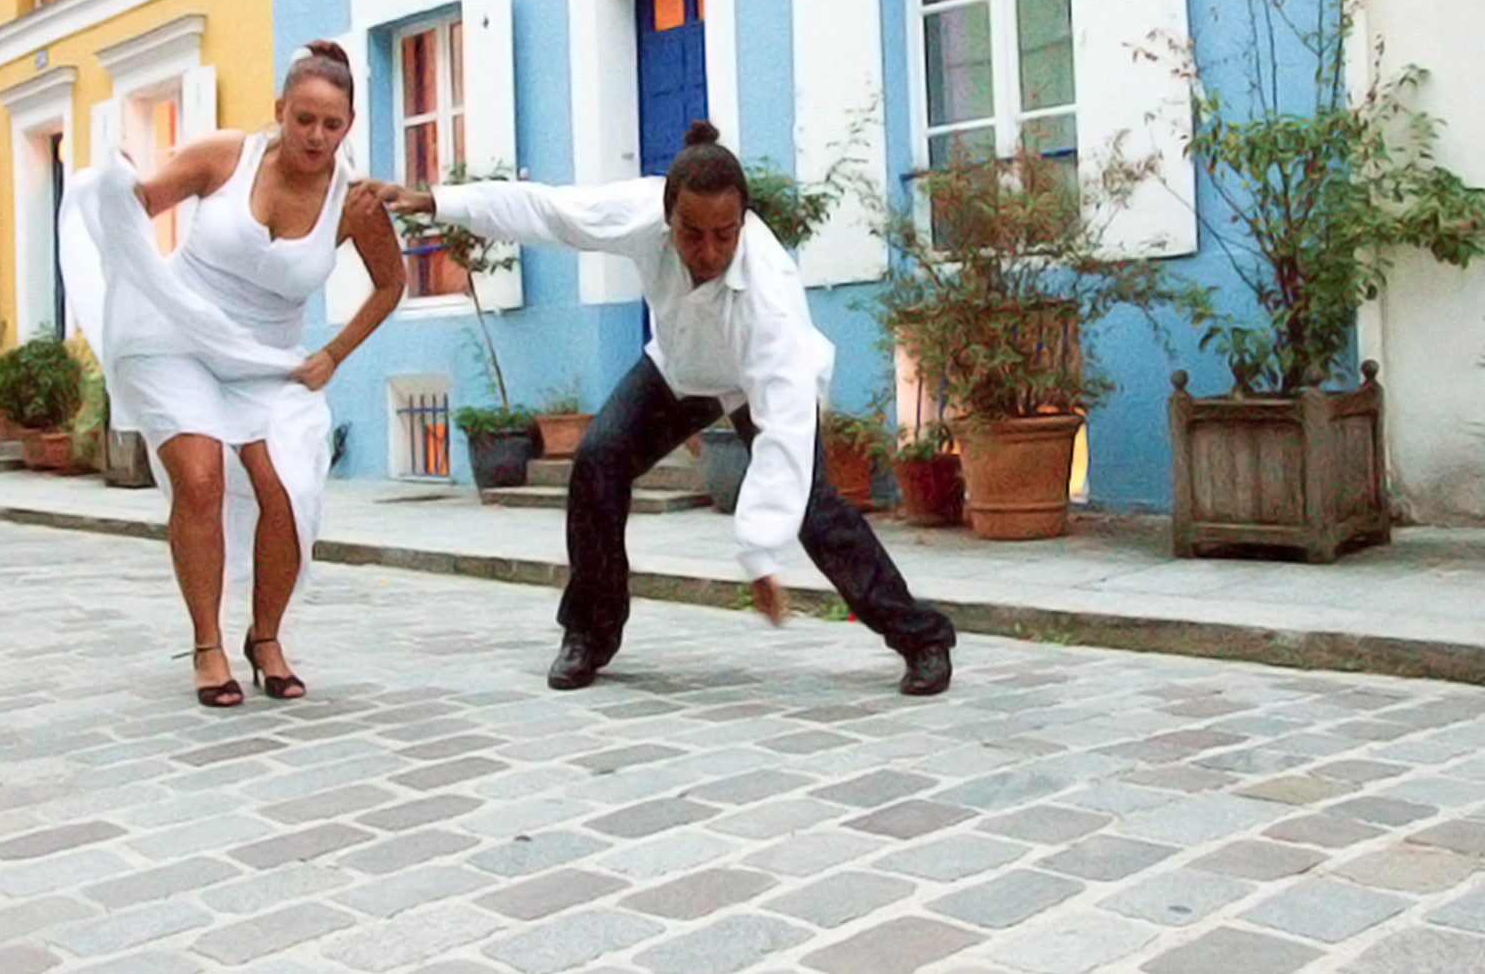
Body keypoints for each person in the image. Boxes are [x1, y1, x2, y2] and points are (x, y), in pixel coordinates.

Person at [368, 121, 956, 695]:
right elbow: (549, 211)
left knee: (814, 508)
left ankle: (922, 639)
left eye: (725, 234)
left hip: (752, 383)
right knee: (597, 459)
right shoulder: (641, 213)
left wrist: (757, 553)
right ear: (666, 213)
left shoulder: (770, 296)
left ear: (744, 220)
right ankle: (589, 635)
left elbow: (784, 434)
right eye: (691, 233)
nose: (709, 251)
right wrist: (437, 201)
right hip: (678, 371)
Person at [61, 41, 405, 707]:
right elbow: (138, 206)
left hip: (266, 359)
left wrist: (333, 353)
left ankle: (266, 636)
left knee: (287, 488)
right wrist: (120, 180)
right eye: (303, 117)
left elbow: (391, 284)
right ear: (279, 109)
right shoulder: (226, 154)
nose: (315, 135)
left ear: (349, 126)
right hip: (173, 335)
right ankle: (206, 643)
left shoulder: (353, 201)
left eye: (331, 124)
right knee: (201, 474)